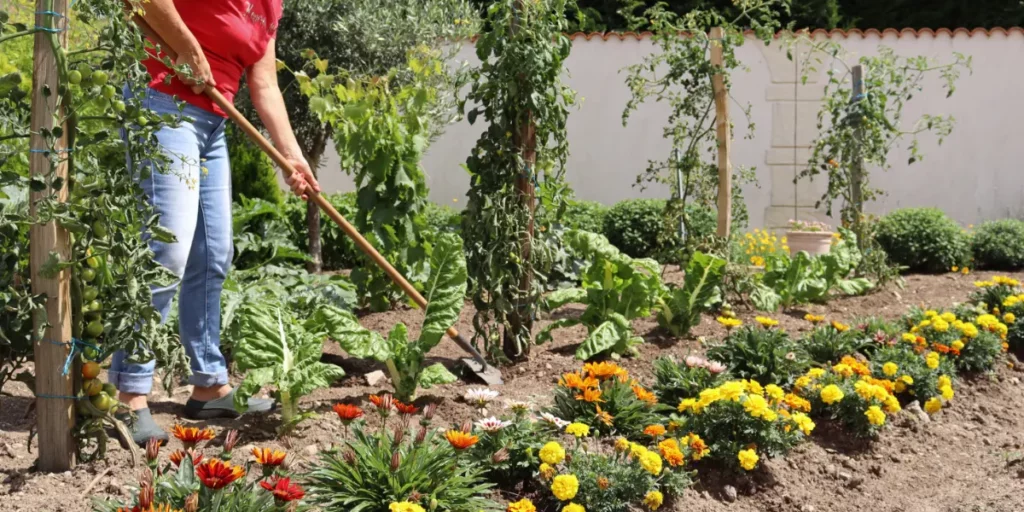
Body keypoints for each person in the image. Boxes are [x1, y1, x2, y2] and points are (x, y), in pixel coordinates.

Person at [109, 0, 320, 446]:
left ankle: (208, 385)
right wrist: (185, 46)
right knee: (166, 248)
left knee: (213, 254)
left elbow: (264, 85)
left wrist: (291, 157)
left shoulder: (270, 7)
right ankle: (128, 393)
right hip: (163, 100)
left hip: (212, 123)